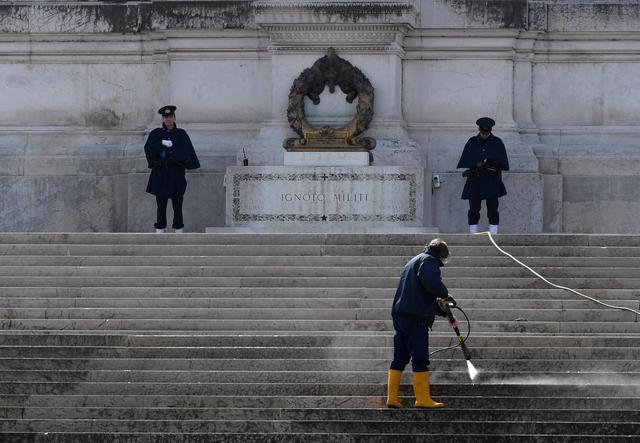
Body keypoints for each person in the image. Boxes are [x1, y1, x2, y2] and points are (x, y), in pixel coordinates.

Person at [386, 238, 457, 409]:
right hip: (415, 318)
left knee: (400, 358)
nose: (442, 262)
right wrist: (446, 295)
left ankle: (392, 398)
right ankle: (422, 399)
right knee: (419, 357)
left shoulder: (414, 261)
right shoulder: (429, 261)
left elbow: (421, 293)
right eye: (444, 258)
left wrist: (442, 311)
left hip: (401, 316)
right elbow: (431, 283)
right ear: (441, 254)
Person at [144, 105, 200, 233]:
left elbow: (188, 150)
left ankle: (178, 230)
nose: (168, 119)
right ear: (163, 119)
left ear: (174, 118)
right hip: (161, 172)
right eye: (165, 117)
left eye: (170, 116)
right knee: (161, 204)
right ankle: (160, 230)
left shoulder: (181, 134)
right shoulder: (156, 134)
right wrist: (161, 143)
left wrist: (188, 162)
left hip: (176, 172)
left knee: (177, 203)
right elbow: (148, 149)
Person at [456, 117, 509, 234]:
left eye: (487, 132)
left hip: (492, 179)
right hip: (475, 178)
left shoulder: (497, 142)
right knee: (474, 208)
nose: (485, 135)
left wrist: (490, 162)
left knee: (493, 208)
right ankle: (473, 231)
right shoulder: (472, 142)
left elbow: (503, 162)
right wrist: (476, 163)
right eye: (483, 132)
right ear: (479, 130)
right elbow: (466, 160)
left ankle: (494, 232)